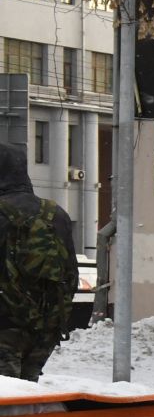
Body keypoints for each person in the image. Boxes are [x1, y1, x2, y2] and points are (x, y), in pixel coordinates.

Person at [0, 142, 78, 380]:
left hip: (5, 325)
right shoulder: (55, 214)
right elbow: (70, 273)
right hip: (45, 328)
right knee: (28, 394)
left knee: (7, 397)